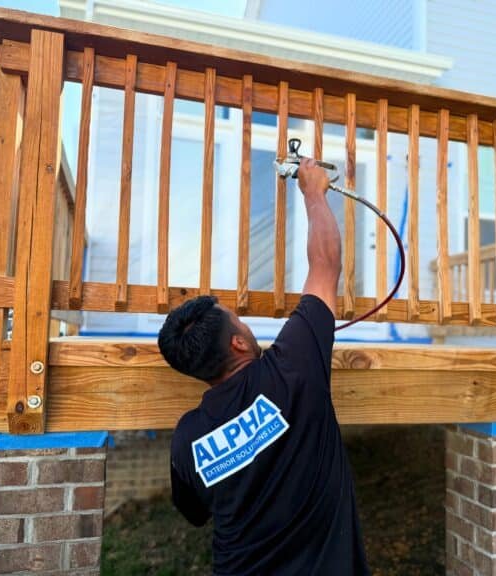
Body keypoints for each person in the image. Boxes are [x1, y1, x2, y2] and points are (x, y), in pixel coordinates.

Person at [158, 158, 369, 575]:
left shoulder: (187, 439)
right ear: (238, 342)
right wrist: (313, 190)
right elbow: (325, 265)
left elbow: (195, 513)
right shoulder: (293, 366)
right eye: (240, 320)